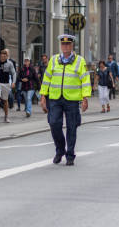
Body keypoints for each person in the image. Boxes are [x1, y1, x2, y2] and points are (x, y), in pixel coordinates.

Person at [39, 34, 91, 166]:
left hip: (72, 99)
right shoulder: (54, 60)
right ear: (61, 46)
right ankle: (60, 149)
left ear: (72, 45)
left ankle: (70, 155)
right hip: (55, 98)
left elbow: (85, 80)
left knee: (72, 127)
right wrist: (43, 96)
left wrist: (85, 98)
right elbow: (47, 78)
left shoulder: (80, 61)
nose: (65, 47)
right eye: (63, 44)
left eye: (68, 44)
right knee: (53, 123)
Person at [0, 49, 17, 123]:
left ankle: (6, 116)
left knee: (5, 101)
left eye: (5, 56)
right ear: (0, 56)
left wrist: (13, 82)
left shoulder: (10, 63)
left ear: (6, 56)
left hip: (6, 84)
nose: (3, 58)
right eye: (2, 56)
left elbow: (14, 73)